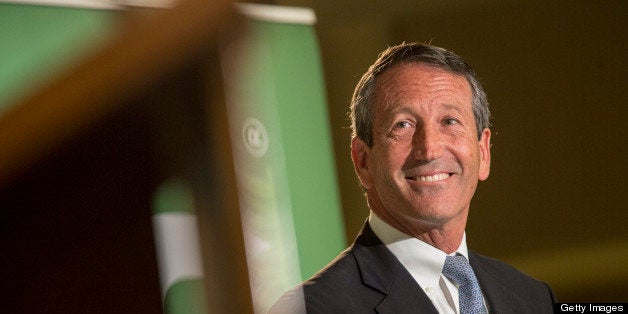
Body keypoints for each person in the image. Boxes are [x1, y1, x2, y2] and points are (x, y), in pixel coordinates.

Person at [270, 42, 556, 313]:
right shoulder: (313, 309)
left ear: (483, 151)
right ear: (363, 161)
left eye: (449, 121)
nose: (429, 148)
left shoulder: (532, 298)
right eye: (403, 125)